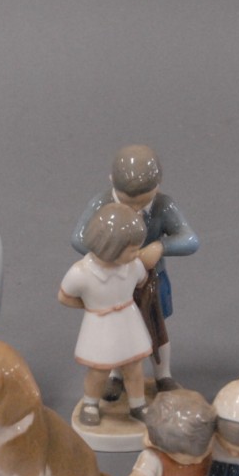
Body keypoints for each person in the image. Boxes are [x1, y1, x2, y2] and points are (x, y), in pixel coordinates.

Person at [71, 145, 199, 396]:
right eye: (127, 200)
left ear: (158, 185)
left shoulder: (163, 206)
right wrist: (111, 253)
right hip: (114, 281)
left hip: (152, 279)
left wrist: (160, 247)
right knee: (116, 328)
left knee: (157, 328)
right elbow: (79, 238)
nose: (135, 206)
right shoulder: (102, 203)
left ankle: (163, 375)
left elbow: (190, 240)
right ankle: (117, 375)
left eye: (143, 200)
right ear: (111, 181)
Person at [60, 203, 159, 425]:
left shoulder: (132, 266)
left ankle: (137, 404)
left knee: (134, 367)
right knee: (99, 370)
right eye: (131, 249)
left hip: (128, 321)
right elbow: (64, 297)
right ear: (110, 247)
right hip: (100, 326)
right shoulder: (81, 273)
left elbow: (141, 282)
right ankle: (90, 403)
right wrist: (90, 306)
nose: (137, 253)